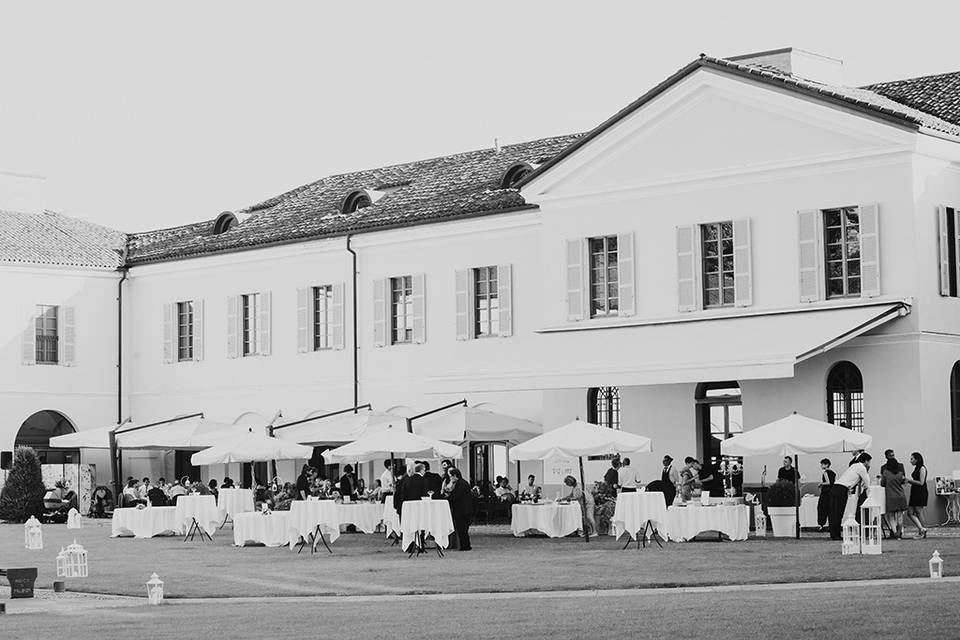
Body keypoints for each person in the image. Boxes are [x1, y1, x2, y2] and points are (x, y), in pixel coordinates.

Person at [828, 453, 872, 540]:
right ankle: (836, 535)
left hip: (835, 487)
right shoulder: (862, 468)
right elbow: (867, 482)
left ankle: (833, 534)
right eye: (869, 462)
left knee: (833, 512)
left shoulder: (854, 466)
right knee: (838, 512)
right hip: (842, 489)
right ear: (866, 461)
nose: (870, 464)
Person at [446, 468, 474, 551]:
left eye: (451, 476)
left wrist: (447, 498)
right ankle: (466, 545)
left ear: (455, 476)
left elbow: (455, 496)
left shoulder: (459, 484)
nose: (450, 478)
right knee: (464, 529)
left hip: (461, 509)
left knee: (461, 529)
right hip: (466, 509)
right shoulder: (464, 482)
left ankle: (464, 546)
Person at [880, 454, 906, 539]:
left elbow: (882, 484)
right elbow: (903, 482)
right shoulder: (900, 473)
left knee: (891, 516)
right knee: (900, 516)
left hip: (891, 496)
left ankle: (894, 533)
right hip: (901, 496)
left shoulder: (886, 473)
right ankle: (899, 533)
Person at [904, 451, 929, 538]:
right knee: (910, 512)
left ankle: (922, 531)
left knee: (918, 512)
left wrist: (909, 480)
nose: (910, 461)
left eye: (912, 459)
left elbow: (921, 482)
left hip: (920, 492)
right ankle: (922, 529)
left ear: (917, 459)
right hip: (914, 491)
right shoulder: (916, 468)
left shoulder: (922, 468)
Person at [817, 458, 835, 531]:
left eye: (822, 464)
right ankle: (830, 525)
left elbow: (828, 482)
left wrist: (821, 483)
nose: (821, 466)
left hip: (825, 493)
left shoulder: (825, 472)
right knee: (830, 509)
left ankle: (821, 525)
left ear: (826, 465)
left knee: (822, 509)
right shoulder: (833, 473)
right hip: (831, 492)